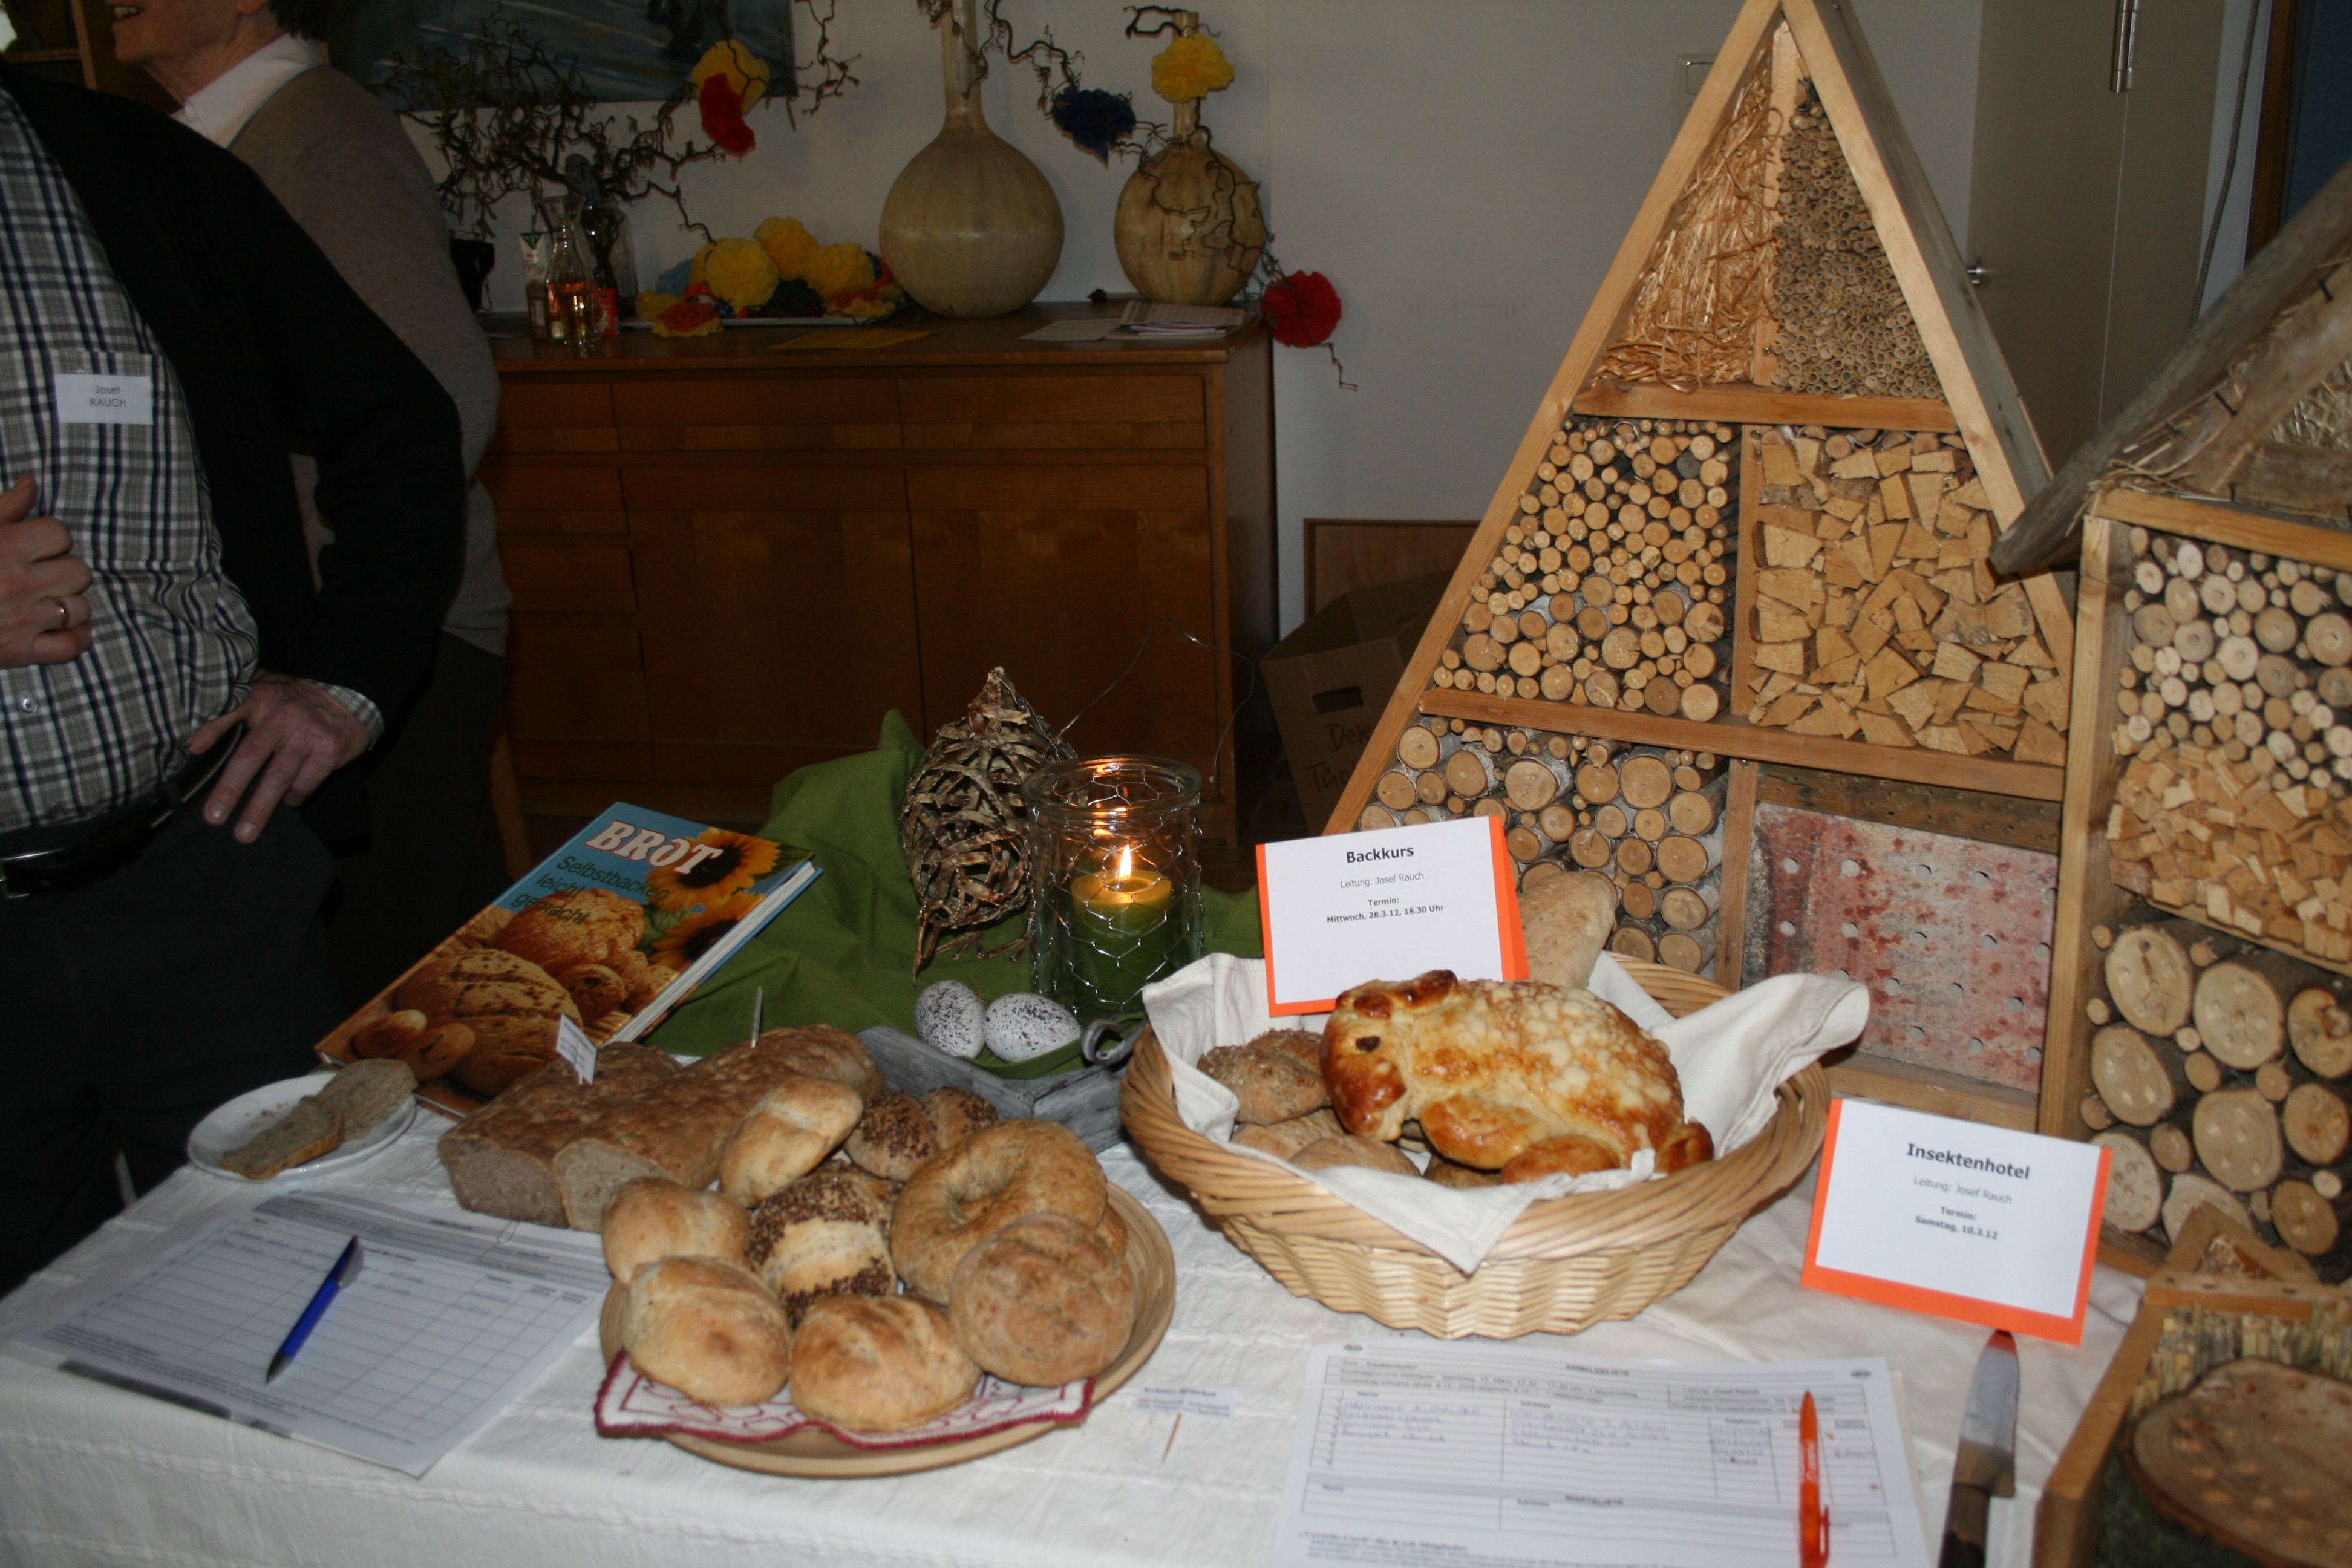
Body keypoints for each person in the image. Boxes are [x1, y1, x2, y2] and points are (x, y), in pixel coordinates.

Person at [0, 60, 463, 1295]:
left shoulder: (133, 171)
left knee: (294, 1302)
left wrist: (346, 680)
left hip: (201, 872)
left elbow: (401, 426)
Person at [112, 0, 515, 1006]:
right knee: (425, 995)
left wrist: (345, 637)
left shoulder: (318, 135)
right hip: (316, 643)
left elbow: (439, 393)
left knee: (383, 1000)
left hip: (372, 643)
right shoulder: (208, 145)